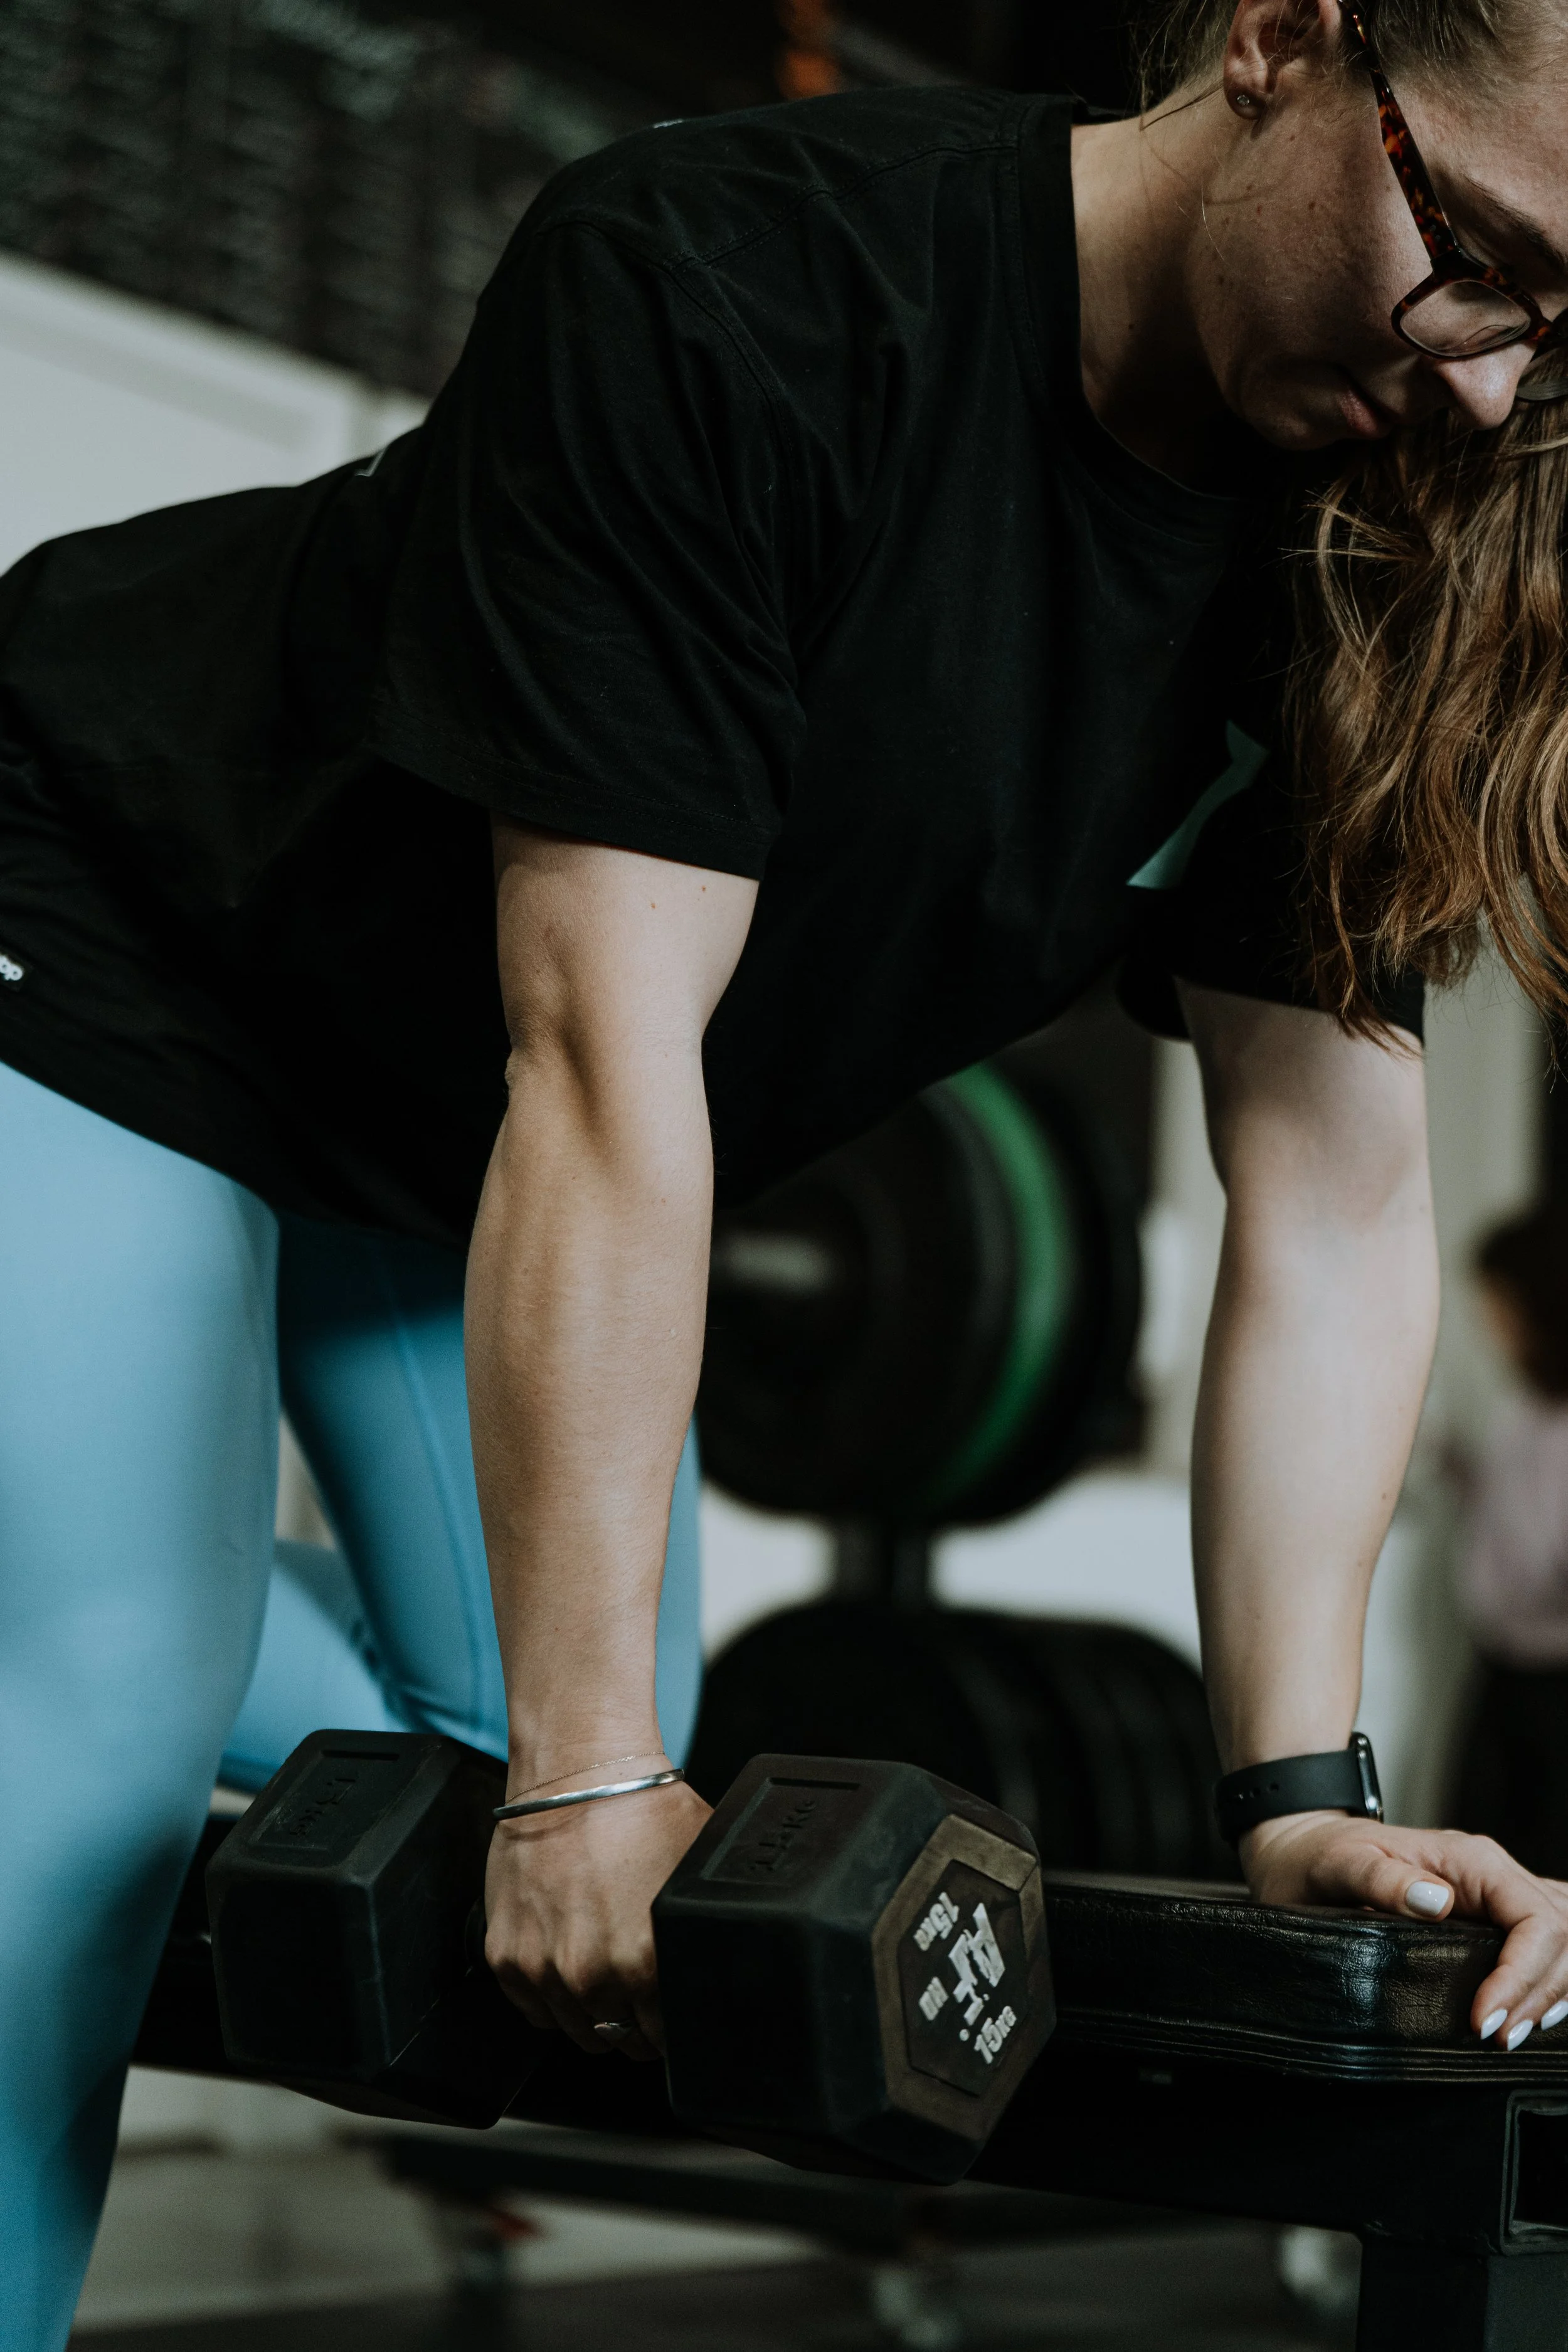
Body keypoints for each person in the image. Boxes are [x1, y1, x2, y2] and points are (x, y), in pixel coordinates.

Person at [4, 0, 1568, 2339]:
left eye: (1557, 328)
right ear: (1276, 39)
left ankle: (67, 1543)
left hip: (437, 1134)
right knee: (114, 1740)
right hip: (127, 910)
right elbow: (611, 1050)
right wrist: (581, 1780)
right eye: (1473, 249)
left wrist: (1290, 1788)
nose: (1480, 382)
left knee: (500, 1730)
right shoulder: (735, 283)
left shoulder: (1353, 535)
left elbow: (1330, 1203)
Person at [1451, 1204, 1568, 1877]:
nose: (1488, 1325)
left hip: (1555, 1689)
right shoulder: (1520, 1413)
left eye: (1498, 1304)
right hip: (1500, 1675)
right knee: (1483, 1856)